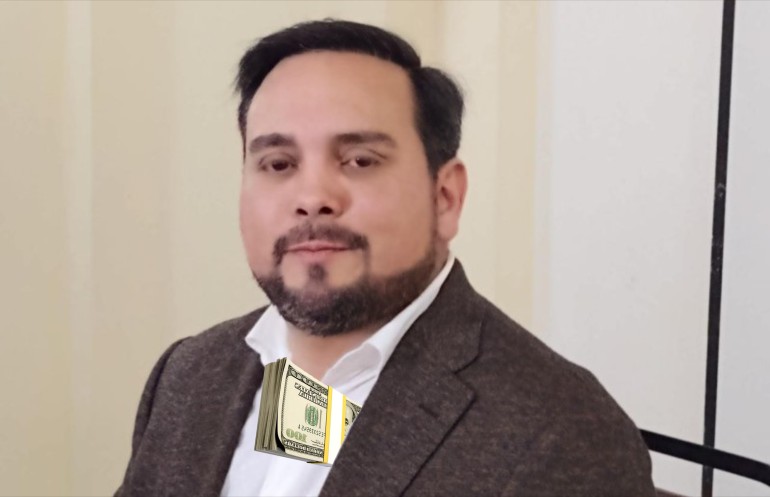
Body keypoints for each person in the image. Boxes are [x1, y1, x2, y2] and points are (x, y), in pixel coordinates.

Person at [116, 19, 656, 497]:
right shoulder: (189, 374)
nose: (312, 197)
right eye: (278, 164)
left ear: (445, 197)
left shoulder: (561, 432)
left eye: (359, 160)